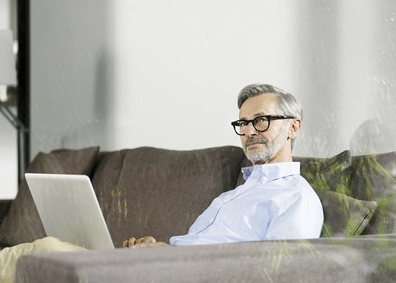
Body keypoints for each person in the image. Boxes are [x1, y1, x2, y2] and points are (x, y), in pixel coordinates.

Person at [123, 83, 324, 248]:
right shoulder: (229, 197)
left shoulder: (296, 197)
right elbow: (197, 248)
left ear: (293, 127)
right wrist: (159, 250)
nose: (249, 131)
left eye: (261, 120)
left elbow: (280, 274)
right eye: (243, 123)